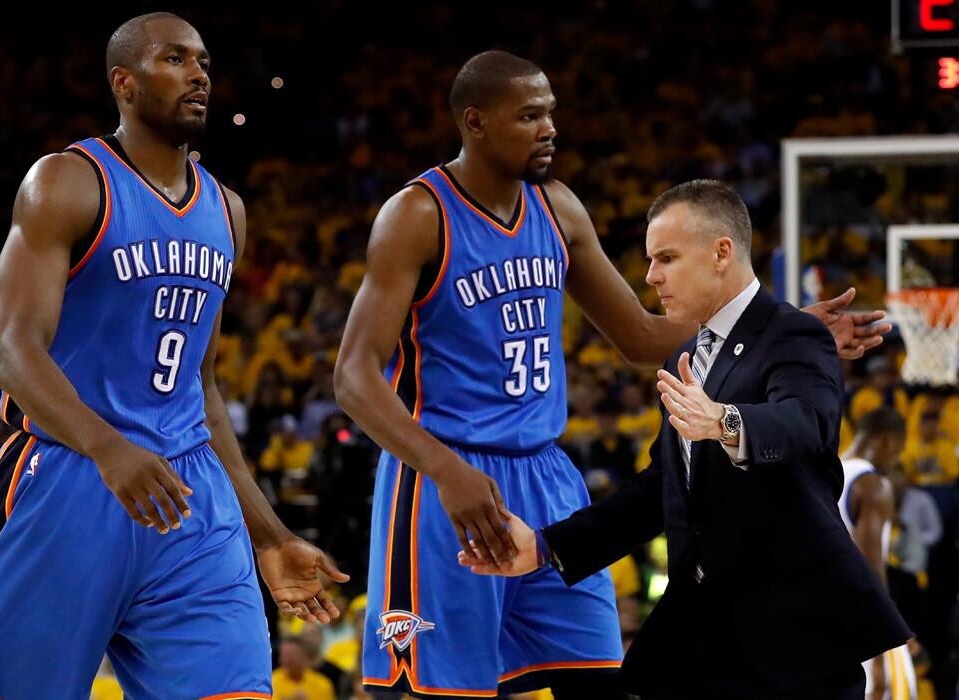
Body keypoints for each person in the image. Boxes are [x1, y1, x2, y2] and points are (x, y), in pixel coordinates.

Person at [334, 50, 888, 698]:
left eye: (551, 114)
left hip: (545, 475)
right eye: (530, 115)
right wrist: (446, 470)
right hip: (444, 476)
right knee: (437, 693)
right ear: (475, 122)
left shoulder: (559, 209)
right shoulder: (417, 214)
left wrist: (779, 328)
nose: (549, 129)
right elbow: (353, 376)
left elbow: (640, 336)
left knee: (607, 683)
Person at [0, 12, 346, 700]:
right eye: (175, 59)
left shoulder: (228, 210)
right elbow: (12, 351)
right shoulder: (66, 181)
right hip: (67, 479)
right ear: (124, 82)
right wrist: (107, 448)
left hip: (190, 499)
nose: (198, 73)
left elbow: (202, 387)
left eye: (205, 63)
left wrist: (268, 534)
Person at [461, 180, 911, 699]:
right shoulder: (696, 353)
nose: (650, 276)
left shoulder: (794, 333)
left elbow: (805, 422)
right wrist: (545, 547)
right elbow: (658, 492)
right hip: (707, 638)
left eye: (666, 258)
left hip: (794, 642)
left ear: (722, 252)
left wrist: (724, 421)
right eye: (651, 260)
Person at [840, 408, 918, 700]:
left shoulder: (826, 472)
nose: (897, 459)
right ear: (888, 440)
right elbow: (870, 572)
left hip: (820, 618)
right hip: (864, 623)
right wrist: (883, 649)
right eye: (899, 449)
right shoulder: (873, 487)